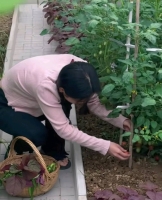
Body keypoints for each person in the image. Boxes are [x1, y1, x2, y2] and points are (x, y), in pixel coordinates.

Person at [0, 54, 131, 170]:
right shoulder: (46, 85)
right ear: (62, 89)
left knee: (63, 105)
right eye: (80, 100)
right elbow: (63, 129)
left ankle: (51, 151)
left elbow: (94, 104)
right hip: (7, 103)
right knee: (36, 134)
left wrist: (122, 121)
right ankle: (15, 153)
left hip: (33, 100)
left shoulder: (83, 72)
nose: (82, 102)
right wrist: (105, 146)